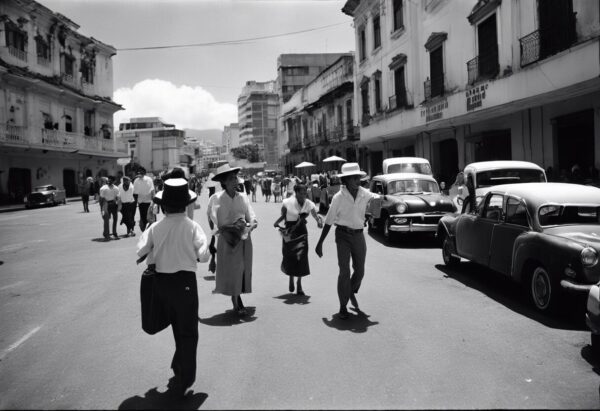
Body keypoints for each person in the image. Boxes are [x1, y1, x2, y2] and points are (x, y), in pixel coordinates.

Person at [136, 178, 211, 398]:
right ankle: (184, 377)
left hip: (161, 284)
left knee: (176, 328)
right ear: (185, 204)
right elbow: (204, 256)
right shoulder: (191, 226)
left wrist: (154, 251)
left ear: (164, 206)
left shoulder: (155, 227)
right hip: (185, 284)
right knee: (187, 330)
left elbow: (140, 251)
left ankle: (179, 366)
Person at [315, 163, 383, 320]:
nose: (358, 180)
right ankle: (343, 306)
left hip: (359, 235)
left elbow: (376, 202)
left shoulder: (365, 194)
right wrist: (320, 243)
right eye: (354, 178)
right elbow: (329, 221)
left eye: (359, 177)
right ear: (345, 180)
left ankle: (350, 290)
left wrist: (378, 203)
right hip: (343, 235)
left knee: (360, 271)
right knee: (344, 271)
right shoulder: (338, 198)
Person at [206, 164, 258, 315]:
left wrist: (253, 223)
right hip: (227, 240)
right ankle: (237, 300)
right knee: (233, 269)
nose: (235, 181)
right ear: (224, 182)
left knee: (242, 268)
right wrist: (213, 238)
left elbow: (250, 214)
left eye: (235, 177)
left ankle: (238, 296)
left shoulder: (242, 197)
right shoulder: (215, 199)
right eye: (231, 178)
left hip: (243, 237)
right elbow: (210, 217)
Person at [273, 184, 322, 295]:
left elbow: (315, 215)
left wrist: (319, 221)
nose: (303, 195)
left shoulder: (308, 203)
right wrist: (280, 223)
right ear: (296, 192)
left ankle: (299, 284)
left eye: (305, 192)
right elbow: (283, 215)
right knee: (290, 255)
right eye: (301, 192)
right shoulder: (287, 202)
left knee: (302, 257)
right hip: (290, 231)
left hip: (302, 231)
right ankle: (291, 277)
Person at [133, 167, 155, 232]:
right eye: (138, 172)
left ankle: (152, 231)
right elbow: (135, 193)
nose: (139, 174)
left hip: (149, 202)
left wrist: (154, 200)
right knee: (143, 217)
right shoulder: (136, 181)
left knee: (150, 218)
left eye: (140, 172)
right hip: (141, 202)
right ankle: (145, 232)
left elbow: (152, 190)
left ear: (144, 173)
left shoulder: (149, 179)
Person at [99, 176, 120, 240]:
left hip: (113, 204)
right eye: (108, 180)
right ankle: (106, 234)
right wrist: (102, 208)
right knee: (106, 219)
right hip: (106, 204)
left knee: (115, 219)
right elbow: (101, 198)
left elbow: (118, 197)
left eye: (111, 180)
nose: (109, 181)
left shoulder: (116, 188)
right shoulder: (103, 188)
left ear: (114, 181)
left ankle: (114, 233)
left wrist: (118, 205)